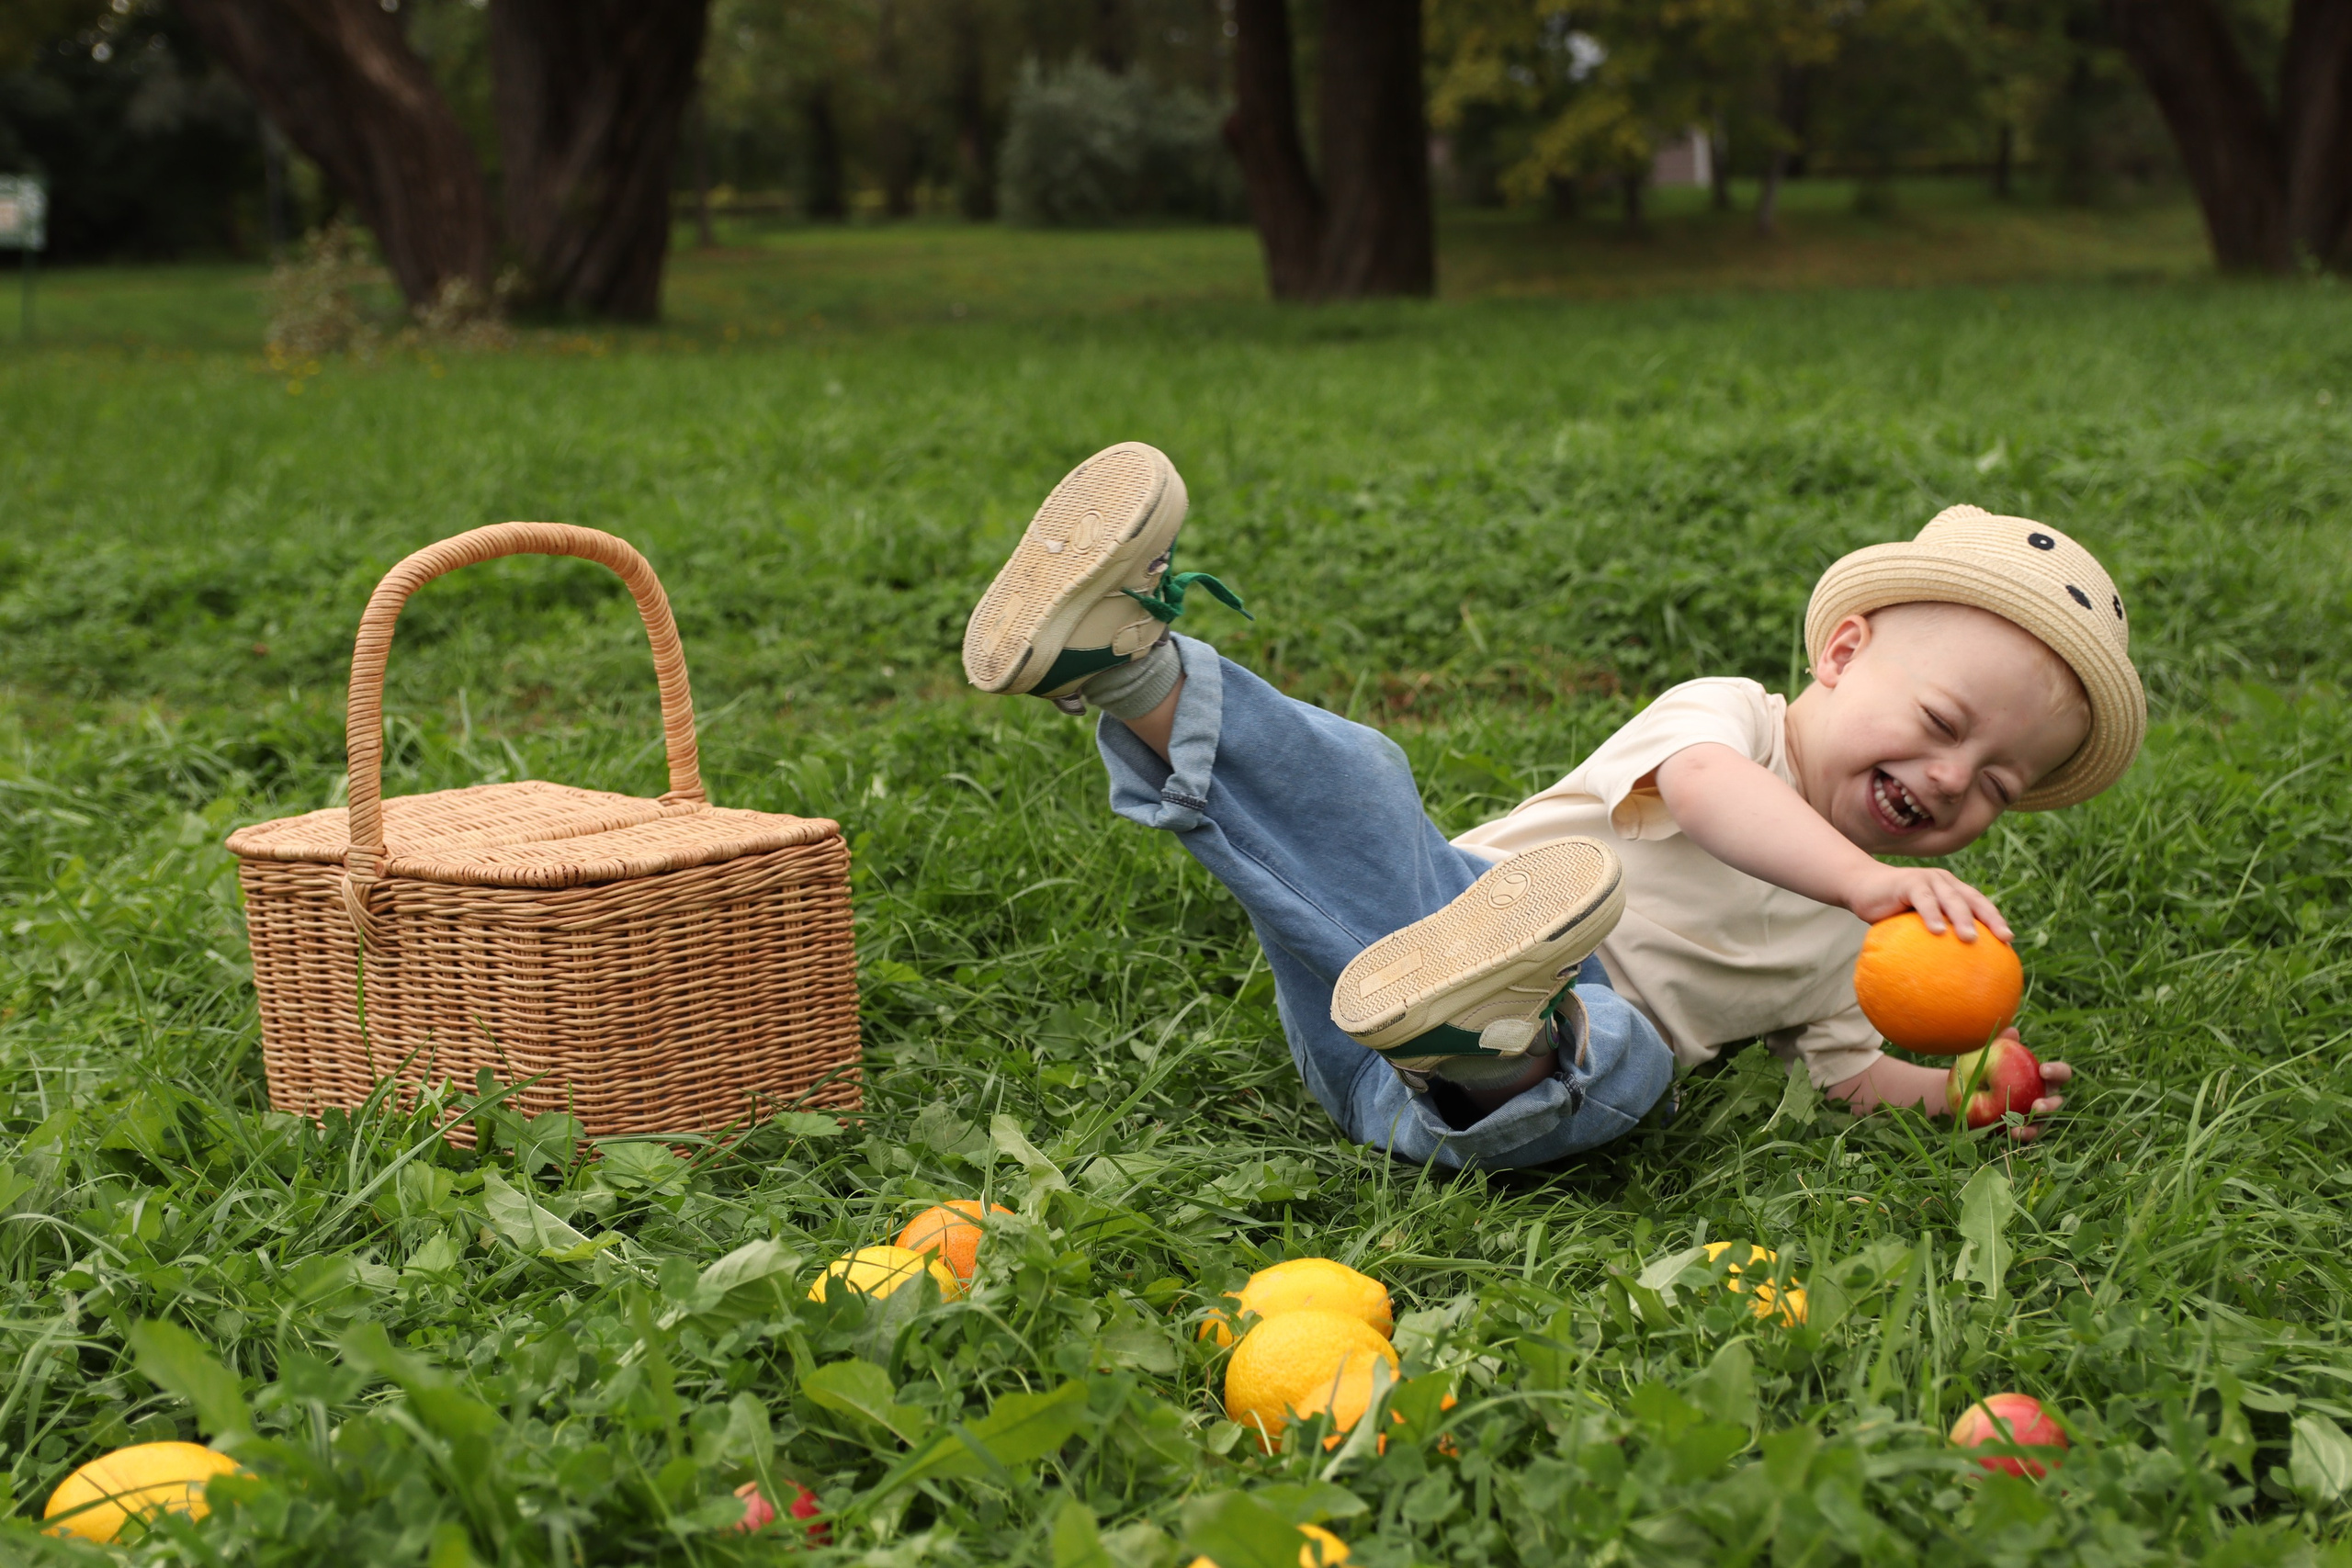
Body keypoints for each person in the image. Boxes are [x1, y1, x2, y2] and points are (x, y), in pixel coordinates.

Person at [960, 443, 2144, 1169]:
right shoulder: (1732, 720)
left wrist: (1961, 1091)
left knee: (1629, 1065)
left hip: (1491, 1087)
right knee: (1365, 784)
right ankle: (1125, 667)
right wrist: (1862, 882)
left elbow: (1840, 1074)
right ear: (1841, 653)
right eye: (1942, 727)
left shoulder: (1864, 941)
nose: (1950, 781)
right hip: (1425, 918)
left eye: (1996, 784)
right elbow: (1705, 794)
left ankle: (1481, 1046)